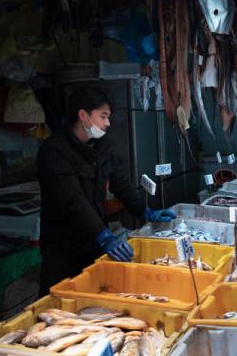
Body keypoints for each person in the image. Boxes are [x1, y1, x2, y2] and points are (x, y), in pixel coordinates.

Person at [37, 87, 176, 295]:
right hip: (62, 246)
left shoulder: (101, 146)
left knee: (95, 295)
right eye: (103, 116)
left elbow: (119, 182)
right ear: (83, 115)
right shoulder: (54, 151)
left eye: (108, 117)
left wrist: (144, 211)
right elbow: (73, 200)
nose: (108, 123)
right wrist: (103, 235)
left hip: (92, 241)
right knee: (59, 298)